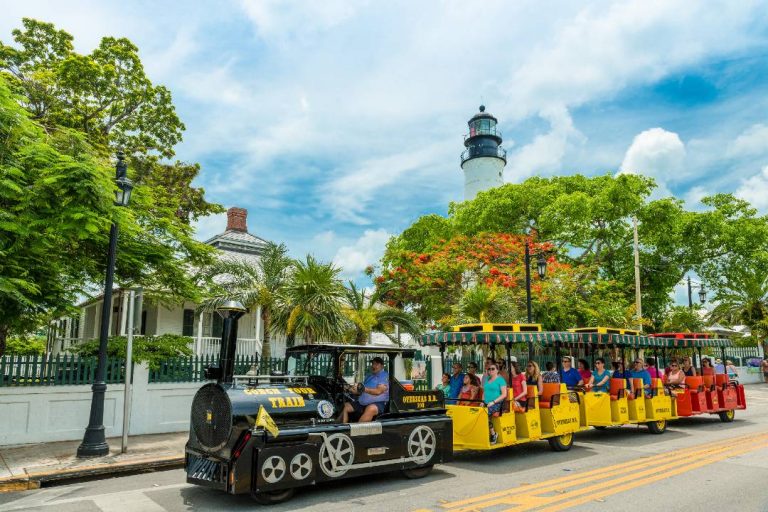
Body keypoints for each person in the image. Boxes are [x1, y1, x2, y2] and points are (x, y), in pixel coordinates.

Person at [341, 356, 389, 423]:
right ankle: (343, 429)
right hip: (363, 402)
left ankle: (357, 431)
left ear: (382, 366)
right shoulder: (369, 376)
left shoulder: (384, 376)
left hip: (378, 403)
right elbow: (360, 391)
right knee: (346, 406)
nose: (373, 366)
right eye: (373, 364)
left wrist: (363, 389)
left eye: (376, 364)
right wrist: (349, 389)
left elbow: (378, 391)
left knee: (370, 409)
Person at [483, 363, 508, 444]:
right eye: (489, 369)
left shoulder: (500, 380)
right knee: (475, 412)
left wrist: (493, 402)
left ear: (497, 370)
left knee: (484, 413)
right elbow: (484, 392)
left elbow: (504, 394)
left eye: (493, 369)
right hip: (486, 403)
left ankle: (493, 434)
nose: (490, 370)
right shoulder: (487, 380)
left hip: (497, 403)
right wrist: (482, 402)